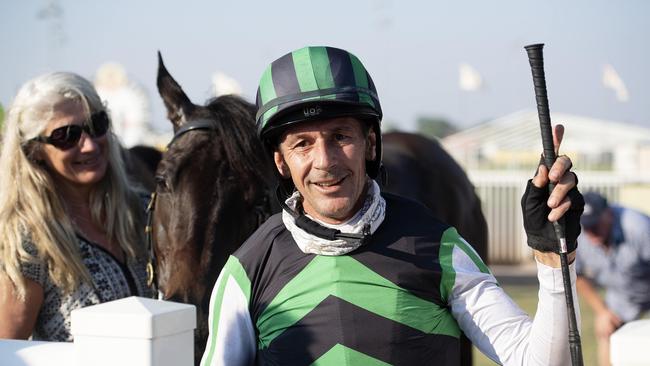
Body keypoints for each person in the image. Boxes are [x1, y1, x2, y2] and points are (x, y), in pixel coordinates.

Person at [200, 46, 584, 365]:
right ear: (281, 162)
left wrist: (553, 259)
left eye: (340, 136)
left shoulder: (439, 247)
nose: (325, 161)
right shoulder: (246, 271)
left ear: (369, 144)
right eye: (303, 143)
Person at [0, 72, 152, 341]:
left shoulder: (146, 212)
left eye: (97, 124)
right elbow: (8, 350)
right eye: (67, 136)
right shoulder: (27, 243)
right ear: (34, 151)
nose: (89, 145)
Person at [575, 192, 650, 366]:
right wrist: (602, 312)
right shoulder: (578, 234)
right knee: (606, 329)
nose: (592, 232)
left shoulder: (638, 227)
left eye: (596, 224)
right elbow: (576, 275)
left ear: (608, 214)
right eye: (588, 227)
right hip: (623, 294)